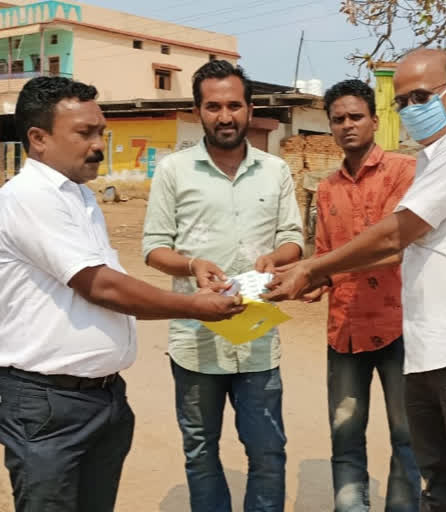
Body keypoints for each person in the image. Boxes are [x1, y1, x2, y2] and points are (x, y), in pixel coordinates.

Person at [264, 48, 446, 511]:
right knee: (441, 491)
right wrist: (316, 274)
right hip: (431, 351)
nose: (412, 110)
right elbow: (402, 251)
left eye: (422, 97)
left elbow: (394, 237)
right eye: (404, 101)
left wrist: (313, 267)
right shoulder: (431, 158)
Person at [0, 76, 244, 512]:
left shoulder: (78, 197)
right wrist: (193, 307)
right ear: (38, 139)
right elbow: (100, 285)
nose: (98, 145)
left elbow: (108, 278)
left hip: (100, 400)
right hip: (49, 405)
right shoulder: (27, 198)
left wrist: (192, 270)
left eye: (101, 132)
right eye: (84, 133)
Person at [142, 60, 303, 512]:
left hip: (257, 339)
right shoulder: (174, 170)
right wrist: (192, 264)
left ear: (250, 109)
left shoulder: (276, 171)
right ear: (198, 111)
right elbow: (153, 248)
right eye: (213, 106)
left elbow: (294, 238)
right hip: (195, 342)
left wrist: (278, 258)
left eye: (234, 105)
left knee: (268, 453)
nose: (225, 116)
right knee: (201, 452)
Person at [305, 79, 419, 511]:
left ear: (374, 120)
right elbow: (323, 258)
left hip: (399, 328)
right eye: (338, 119)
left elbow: (394, 247)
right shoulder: (327, 188)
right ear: (330, 126)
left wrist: (316, 270)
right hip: (345, 332)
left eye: (356, 117)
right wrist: (287, 281)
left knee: (407, 437)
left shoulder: (403, 172)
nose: (347, 125)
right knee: (345, 436)